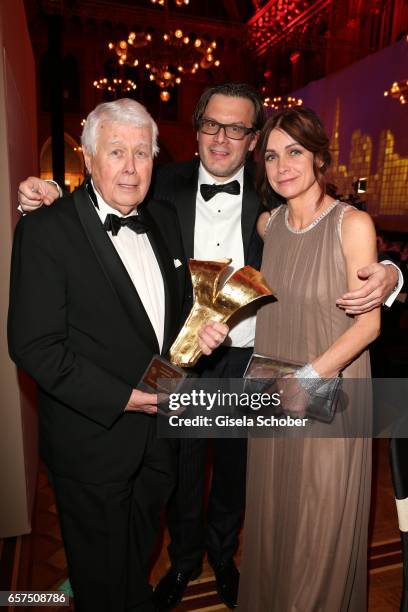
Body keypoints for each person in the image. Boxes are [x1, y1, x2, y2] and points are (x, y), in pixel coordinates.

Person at [16, 84, 400, 611]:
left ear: (251, 141)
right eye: (212, 125)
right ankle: (184, 560)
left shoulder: (271, 203)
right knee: (180, 471)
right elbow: (99, 205)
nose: (223, 138)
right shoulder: (159, 184)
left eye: (238, 129)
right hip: (183, 361)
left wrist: (393, 273)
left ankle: (224, 557)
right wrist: (52, 193)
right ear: (196, 132)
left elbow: (345, 245)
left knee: (247, 474)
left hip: (256, 361)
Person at [8, 98, 228, 612]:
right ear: (88, 159)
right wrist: (124, 399)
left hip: (158, 439)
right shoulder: (45, 230)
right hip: (93, 440)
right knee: (99, 574)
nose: (132, 167)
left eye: (143, 153)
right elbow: (33, 345)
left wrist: (199, 336)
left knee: (135, 556)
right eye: (116, 152)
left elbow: (166, 323)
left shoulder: (165, 220)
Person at [237, 107, 380, 611]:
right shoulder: (268, 223)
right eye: (272, 156)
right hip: (273, 397)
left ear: (319, 156)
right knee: (275, 522)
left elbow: (369, 323)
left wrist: (308, 377)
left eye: (294, 151)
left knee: (317, 535)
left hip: (331, 391)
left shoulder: (352, 224)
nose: (283, 166)